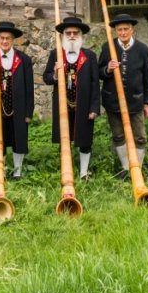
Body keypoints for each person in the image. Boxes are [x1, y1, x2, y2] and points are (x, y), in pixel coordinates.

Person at [43, 15, 101, 180]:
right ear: (63, 35)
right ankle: (66, 171)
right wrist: (55, 73)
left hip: (83, 105)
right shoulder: (56, 54)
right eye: (68, 33)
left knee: (84, 139)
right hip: (63, 105)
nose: (72, 36)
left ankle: (83, 173)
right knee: (64, 138)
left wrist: (94, 107)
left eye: (75, 32)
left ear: (81, 35)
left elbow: (95, 83)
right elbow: (46, 78)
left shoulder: (89, 56)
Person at [99, 13, 148, 177]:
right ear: (115, 31)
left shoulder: (142, 49)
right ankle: (125, 168)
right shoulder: (107, 47)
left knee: (140, 136)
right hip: (112, 100)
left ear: (132, 29)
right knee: (118, 135)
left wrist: (147, 102)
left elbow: (147, 78)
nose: (122, 33)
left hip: (135, 101)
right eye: (119, 30)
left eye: (126, 29)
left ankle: (137, 168)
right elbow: (99, 72)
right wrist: (108, 68)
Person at [0, 21, 35, 178]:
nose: (4, 41)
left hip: (18, 108)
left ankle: (17, 172)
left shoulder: (23, 59)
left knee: (19, 138)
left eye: (7, 38)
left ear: (13, 40)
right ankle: (0, 171)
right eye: (1, 38)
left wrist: (28, 112)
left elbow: (29, 88)